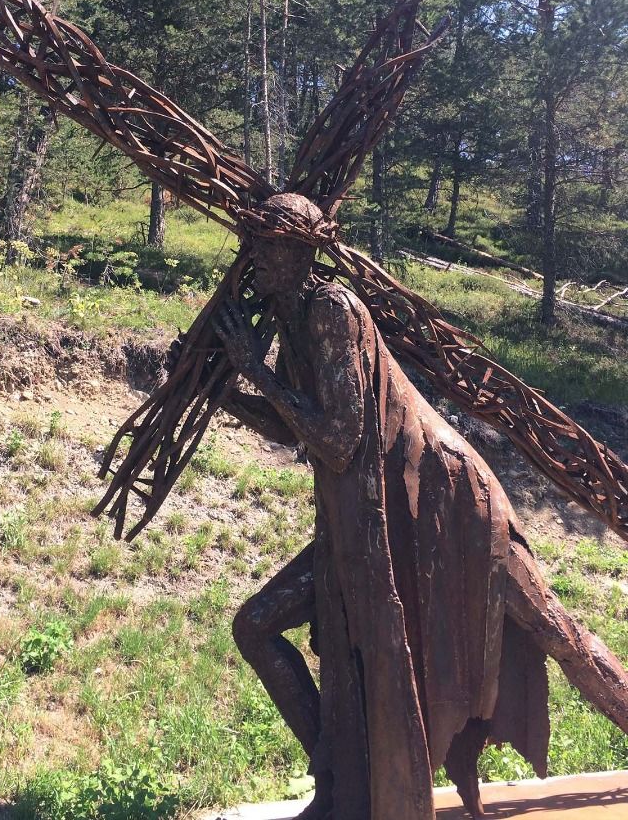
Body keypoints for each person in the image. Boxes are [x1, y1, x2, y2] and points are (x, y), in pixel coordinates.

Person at [213, 192, 628, 820]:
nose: (256, 256)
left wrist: (257, 373)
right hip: (374, 520)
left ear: (301, 252)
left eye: (269, 245)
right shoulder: (294, 319)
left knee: (551, 626)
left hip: (446, 503)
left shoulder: (331, 309)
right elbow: (294, 425)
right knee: (256, 625)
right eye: (254, 243)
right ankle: (340, 779)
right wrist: (230, 393)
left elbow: (337, 438)